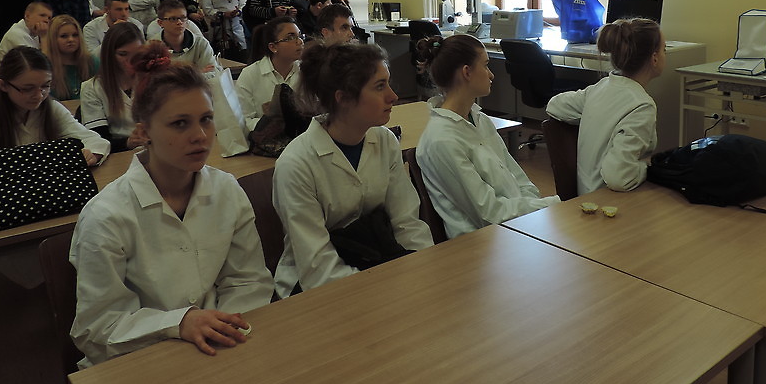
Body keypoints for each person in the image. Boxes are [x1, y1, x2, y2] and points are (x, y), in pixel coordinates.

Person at [70, 42, 273, 367]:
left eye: (206, 119)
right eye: (180, 123)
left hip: (218, 350)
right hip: (137, 362)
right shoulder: (106, 215)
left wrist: (224, 327)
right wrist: (178, 323)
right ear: (143, 131)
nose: (200, 136)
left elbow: (248, 280)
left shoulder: (226, 189)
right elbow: (97, 329)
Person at [272, 41, 433, 296]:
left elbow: (407, 223)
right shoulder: (296, 164)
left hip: (378, 267)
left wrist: (423, 267)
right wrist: (386, 290)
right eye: (379, 86)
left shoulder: (384, 140)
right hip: (315, 291)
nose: (393, 96)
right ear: (344, 98)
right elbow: (318, 268)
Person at [414, 34, 560, 239]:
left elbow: (518, 178)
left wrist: (536, 206)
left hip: (516, 226)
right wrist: (553, 204)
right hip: (482, 243)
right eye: (485, 66)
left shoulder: (479, 119)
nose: (491, 74)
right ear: (467, 72)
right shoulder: (442, 140)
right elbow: (489, 214)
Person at [547, 18, 664, 194]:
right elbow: (619, 177)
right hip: (608, 200)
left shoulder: (601, 87)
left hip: (586, 195)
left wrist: (594, 116)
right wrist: (648, 166)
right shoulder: (641, 106)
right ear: (654, 58)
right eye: (664, 49)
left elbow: (555, 105)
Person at [0, 46, 109, 163]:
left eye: (45, 86)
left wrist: (92, 153)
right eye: (28, 89)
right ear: (3, 85)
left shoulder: (51, 108)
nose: (39, 96)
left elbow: (95, 140)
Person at [80, 22, 146, 152]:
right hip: (119, 153)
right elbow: (98, 139)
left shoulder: (154, 80)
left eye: (137, 54)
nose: (131, 61)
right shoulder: (92, 88)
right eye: (123, 54)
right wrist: (128, 142)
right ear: (109, 54)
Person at [236, 17, 304, 132]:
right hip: (265, 138)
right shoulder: (250, 74)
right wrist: (270, 123)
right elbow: (244, 120)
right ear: (273, 47)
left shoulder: (306, 71)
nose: (300, 41)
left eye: (300, 35)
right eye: (291, 37)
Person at [42, 15, 98, 101]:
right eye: (64, 36)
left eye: (75, 35)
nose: (71, 39)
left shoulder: (92, 62)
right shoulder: (44, 65)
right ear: (53, 39)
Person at [0, 2, 52, 81]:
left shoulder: (34, 33)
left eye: (49, 18)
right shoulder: (17, 34)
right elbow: (40, 68)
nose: (46, 20)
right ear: (27, 16)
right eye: (42, 15)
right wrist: (44, 37)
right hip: (4, 85)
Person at [155, 0, 219, 73]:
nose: (179, 22)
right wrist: (197, 73)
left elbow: (213, 73)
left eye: (183, 18)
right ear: (160, 23)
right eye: (173, 19)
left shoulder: (201, 43)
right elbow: (154, 77)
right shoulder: (152, 47)